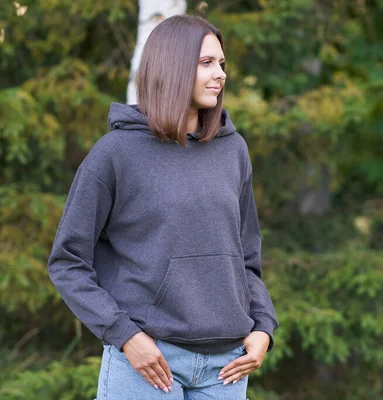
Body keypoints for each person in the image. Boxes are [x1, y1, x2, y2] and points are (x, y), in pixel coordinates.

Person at [48, 14, 278, 399]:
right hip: (149, 362)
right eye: (206, 63)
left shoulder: (232, 150)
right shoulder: (117, 153)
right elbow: (67, 262)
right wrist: (125, 336)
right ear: (172, 66)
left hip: (227, 367)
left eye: (222, 64)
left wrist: (263, 329)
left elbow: (246, 259)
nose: (220, 74)